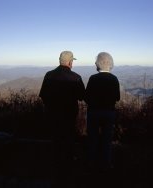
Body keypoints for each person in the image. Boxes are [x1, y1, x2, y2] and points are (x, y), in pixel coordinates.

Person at [39, 50, 85, 185]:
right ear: (70, 62)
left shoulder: (48, 75)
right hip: (69, 114)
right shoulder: (76, 77)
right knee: (69, 137)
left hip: (52, 114)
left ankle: (56, 163)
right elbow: (82, 96)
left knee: (56, 138)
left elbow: (43, 95)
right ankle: (68, 165)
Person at [84, 52, 120, 172]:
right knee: (107, 139)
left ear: (98, 63)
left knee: (92, 138)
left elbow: (86, 97)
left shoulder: (93, 78)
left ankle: (90, 163)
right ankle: (106, 164)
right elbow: (117, 97)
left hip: (93, 112)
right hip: (109, 112)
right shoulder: (114, 79)